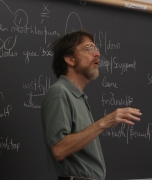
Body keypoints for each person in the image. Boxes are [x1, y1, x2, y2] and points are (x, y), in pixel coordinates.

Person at [41, 30, 142, 180]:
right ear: (70, 59)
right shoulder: (59, 93)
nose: (97, 54)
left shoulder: (78, 97)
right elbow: (59, 149)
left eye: (96, 49)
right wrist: (104, 122)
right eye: (89, 49)